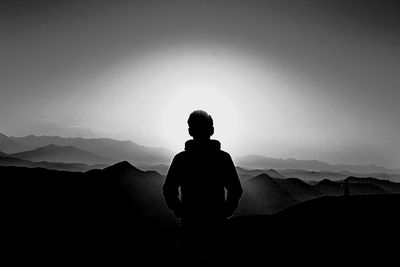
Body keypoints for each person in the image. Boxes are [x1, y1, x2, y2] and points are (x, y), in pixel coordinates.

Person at [163, 110, 243, 265]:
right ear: (212, 130)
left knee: (190, 262)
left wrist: (179, 210)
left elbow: (168, 189)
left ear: (189, 131)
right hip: (215, 223)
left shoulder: (181, 159)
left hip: (191, 222)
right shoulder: (222, 158)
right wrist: (226, 211)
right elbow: (235, 189)